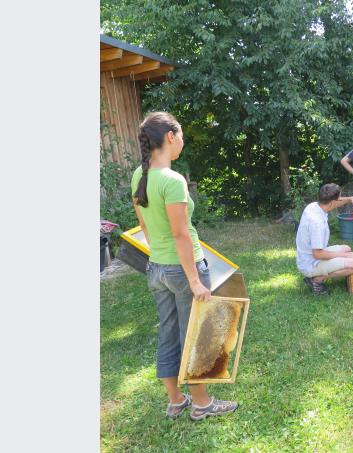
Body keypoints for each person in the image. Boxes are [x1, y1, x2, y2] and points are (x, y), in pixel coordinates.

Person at [131, 112, 238, 421]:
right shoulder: (172, 180)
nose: (182, 143)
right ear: (170, 137)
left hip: (158, 268)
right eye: (181, 137)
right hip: (182, 269)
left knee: (168, 332)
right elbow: (180, 234)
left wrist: (159, 257)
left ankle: (176, 400)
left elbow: (143, 224)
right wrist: (194, 279)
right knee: (194, 336)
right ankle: (202, 404)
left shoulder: (140, 175)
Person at [296, 183, 353, 296]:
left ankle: (318, 275)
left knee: (347, 249)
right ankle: (316, 280)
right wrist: (343, 256)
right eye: (339, 199)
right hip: (311, 263)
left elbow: (335, 201)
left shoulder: (314, 206)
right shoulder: (316, 222)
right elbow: (318, 254)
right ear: (333, 202)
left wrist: (351, 199)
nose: (340, 200)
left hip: (310, 256)